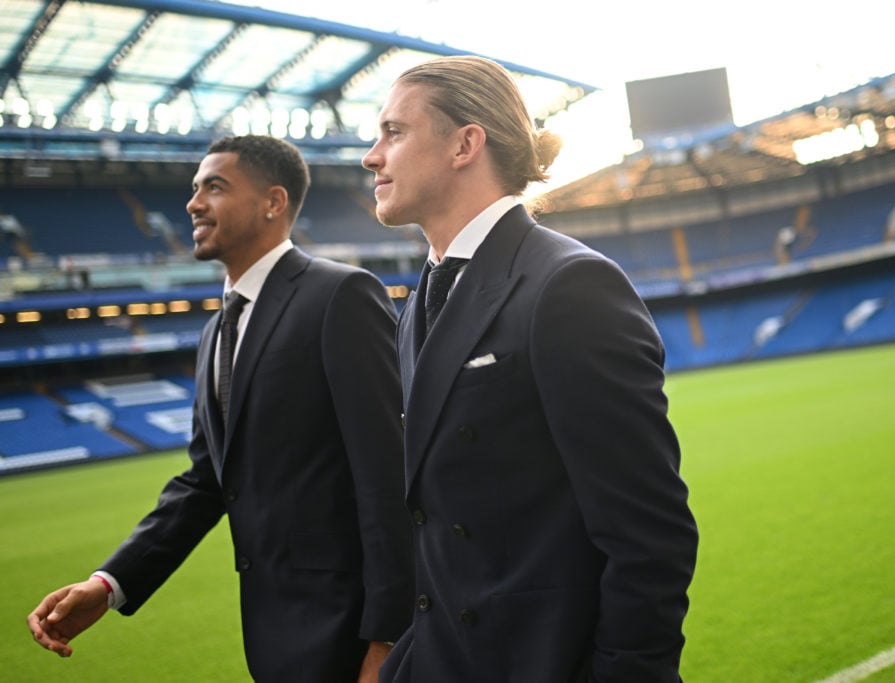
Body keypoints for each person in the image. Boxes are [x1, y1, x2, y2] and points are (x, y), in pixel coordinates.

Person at [27, 135, 414, 682]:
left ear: (273, 202)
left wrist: (388, 638)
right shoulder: (216, 332)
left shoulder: (339, 294)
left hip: (348, 633)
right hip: (271, 633)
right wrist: (107, 585)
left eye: (215, 186)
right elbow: (206, 480)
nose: (193, 203)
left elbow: (386, 470)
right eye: (194, 188)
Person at [362, 56, 699, 682]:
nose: (371, 156)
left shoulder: (570, 285)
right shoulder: (420, 303)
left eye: (394, 132)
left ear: (465, 144)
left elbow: (649, 535)